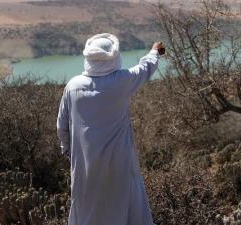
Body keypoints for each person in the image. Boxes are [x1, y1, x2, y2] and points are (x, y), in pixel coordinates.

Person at [56, 33, 164, 225]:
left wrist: (69, 152)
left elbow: (62, 127)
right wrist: (155, 51)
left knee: (88, 212)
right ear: (113, 57)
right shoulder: (120, 82)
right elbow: (145, 68)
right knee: (126, 209)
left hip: (85, 168)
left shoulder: (72, 87)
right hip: (120, 165)